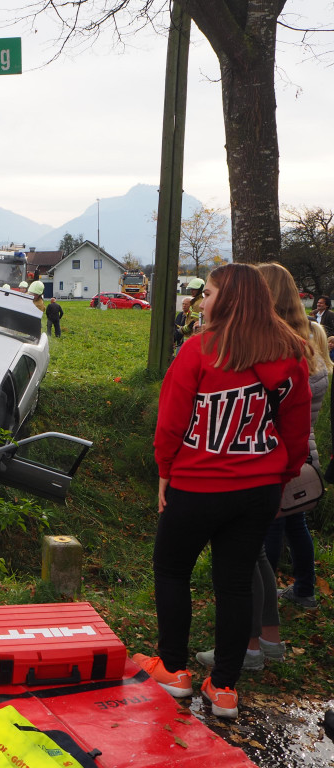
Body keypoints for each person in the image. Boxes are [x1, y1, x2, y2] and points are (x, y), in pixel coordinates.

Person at [139, 263, 310, 719]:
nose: (203, 301)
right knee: (234, 583)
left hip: (198, 484)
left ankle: (173, 669)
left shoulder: (198, 350)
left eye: (210, 293)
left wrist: (165, 470)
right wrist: (283, 475)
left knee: (172, 569)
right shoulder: (290, 354)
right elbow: (296, 430)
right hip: (259, 488)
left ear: (230, 300)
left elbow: (171, 421)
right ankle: (225, 688)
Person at [259, 264, 330, 609]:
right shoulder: (309, 342)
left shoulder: (281, 348)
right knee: (294, 523)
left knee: (273, 526)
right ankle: (304, 590)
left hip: (282, 452)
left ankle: (263, 603)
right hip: (305, 451)